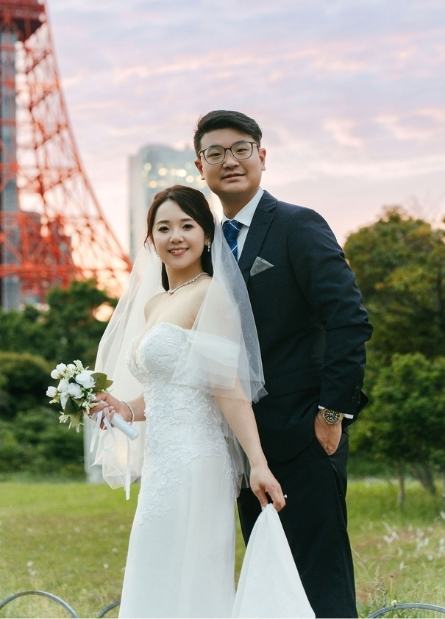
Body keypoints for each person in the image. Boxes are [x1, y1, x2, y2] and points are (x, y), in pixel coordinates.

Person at [88, 185, 312, 617]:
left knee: (190, 570)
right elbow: (165, 388)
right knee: (157, 565)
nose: (176, 236)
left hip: (197, 459)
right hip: (161, 461)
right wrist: (123, 408)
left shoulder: (211, 293)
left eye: (187, 226)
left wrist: (258, 464)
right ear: (150, 240)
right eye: (164, 227)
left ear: (207, 236)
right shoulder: (155, 304)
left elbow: (227, 387)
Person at [193, 109, 372, 619]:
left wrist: (332, 413)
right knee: (270, 580)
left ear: (262, 157)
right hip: (243, 446)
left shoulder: (297, 225)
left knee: (319, 580)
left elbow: (349, 320)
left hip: (304, 434)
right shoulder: (207, 245)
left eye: (241, 149)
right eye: (216, 153)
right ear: (200, 166)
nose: (229, 161)